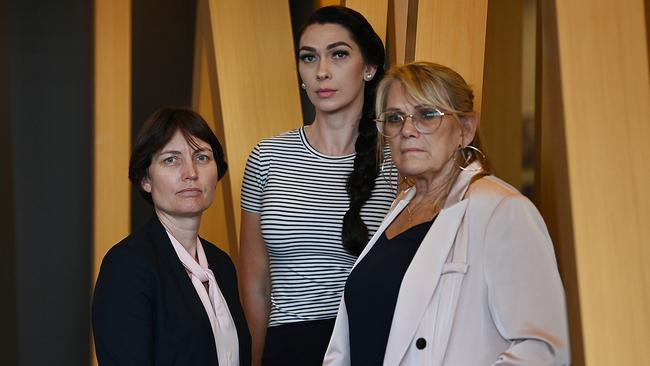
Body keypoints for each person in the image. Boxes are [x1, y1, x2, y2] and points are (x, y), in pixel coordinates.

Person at [324, 62, 571, 365]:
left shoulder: (502, 211)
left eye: (427, 115)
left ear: (465, 130)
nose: (407, 130)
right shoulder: (401, 206)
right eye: (394, 118)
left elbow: (544, 349)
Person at [238, 6, 397, 366]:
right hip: (286, 345)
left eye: (339, 54)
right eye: (309, 58)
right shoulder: (267, 157)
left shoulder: (397, 162)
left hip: (369, 344)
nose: (321, 71)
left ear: (369, 68)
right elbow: (255, 282)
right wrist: (257, 358)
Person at [92, 107, 251, 366]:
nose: (190, 172)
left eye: (202, 157)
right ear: (145, 179)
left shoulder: (221, 265)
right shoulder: (127, 266)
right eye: (171, 160)